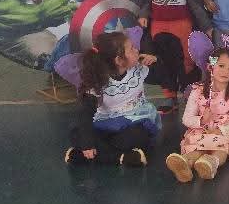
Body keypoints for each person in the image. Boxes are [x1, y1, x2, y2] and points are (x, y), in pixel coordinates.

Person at [137, 0, 213, 113]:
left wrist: (206, 26)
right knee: (162, 61)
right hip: (158, 25)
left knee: (187, 61)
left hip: (182, 25)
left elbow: (195, 2)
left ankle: (190, 98)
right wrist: (143, 14)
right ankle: (170, 98)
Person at [64, 31, 160, 166]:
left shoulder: (138, 70)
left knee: (139, 137)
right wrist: (87, 143)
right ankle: (120, 157)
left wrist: (155, 60)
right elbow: (85, 113)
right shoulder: (97, 80)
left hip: (132, 120)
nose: (137, 50)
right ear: (119, 60)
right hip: (103, 123)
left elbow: (164, 76)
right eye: (131, 49)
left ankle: (86, 156)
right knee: (78, 134)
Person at [165, 46, 229, 182]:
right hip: (202, 130)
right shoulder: (197, 91)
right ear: (210, 67)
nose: (226, 71)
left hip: (226, 131)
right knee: (197, 148)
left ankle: (210, 163)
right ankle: (186, 163)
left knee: (221, 149)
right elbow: (186, 119)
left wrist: (221, 129)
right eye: (221, 66)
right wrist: (202, 120)